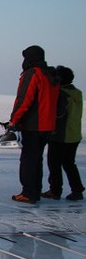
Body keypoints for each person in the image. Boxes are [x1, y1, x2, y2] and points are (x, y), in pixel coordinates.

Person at [6, 45, 59, 204]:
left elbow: (24, 99)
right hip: (48, 125)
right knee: (37, 159)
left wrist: (14, 120)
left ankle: (29, 193)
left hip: (33, 124)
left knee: (28, 159)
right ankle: (34, 189)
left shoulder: (33, 73)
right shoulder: (51, 74)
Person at [42, 66, 83, 201]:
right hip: (74, 135)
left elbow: (59, 114)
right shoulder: (76, 93)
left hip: (60, 135)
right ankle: (77, 190)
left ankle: (55, 191)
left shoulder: (61, 94)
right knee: (69, 163)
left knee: (54, 164)